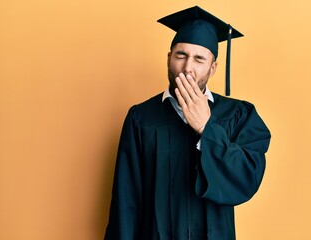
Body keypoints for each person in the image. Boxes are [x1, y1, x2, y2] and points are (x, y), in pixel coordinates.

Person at [105, 6, 271, 240]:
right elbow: (126, 201)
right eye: (180, 55)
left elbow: (246, 179)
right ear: (169, 57)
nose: (187, 68)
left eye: (199, 59)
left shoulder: (239, 115)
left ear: (212, 68)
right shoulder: (141, 118)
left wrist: (206, 128)